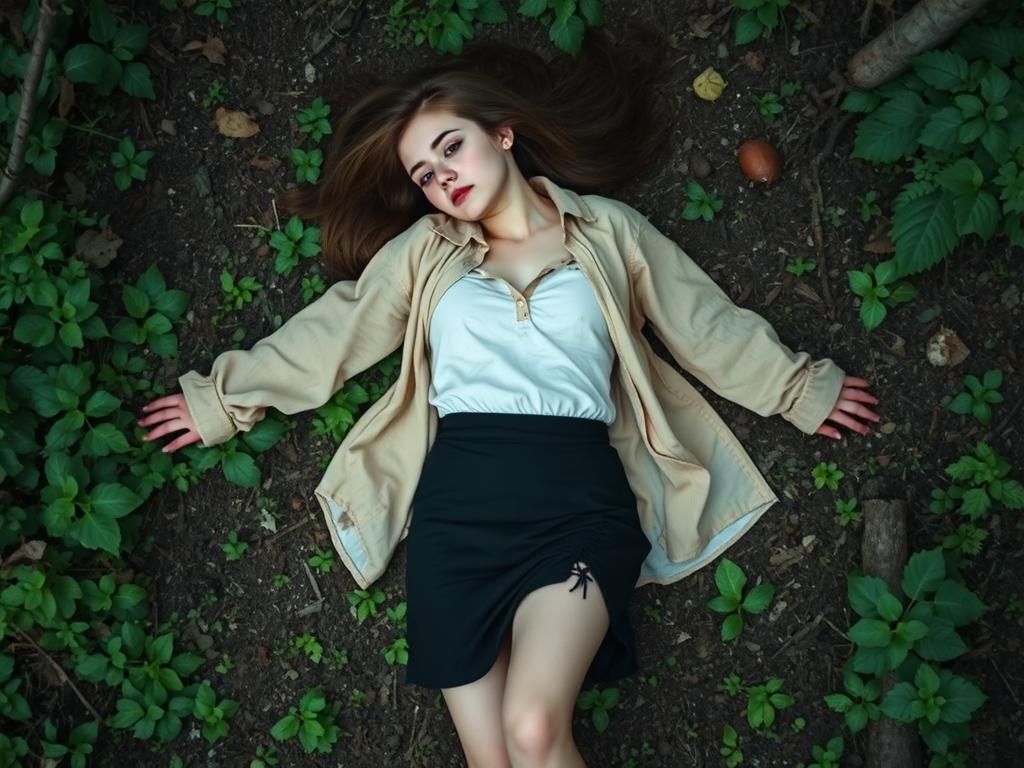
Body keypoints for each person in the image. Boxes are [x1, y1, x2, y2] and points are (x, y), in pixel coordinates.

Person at [137, 23, 880, 768]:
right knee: (494, 761)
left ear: (502, 135)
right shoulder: (428, 253)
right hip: (456, 517)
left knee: (532, 728)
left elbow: (703, 323)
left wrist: (796, 387)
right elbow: (333, 332)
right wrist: (222, 401)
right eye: (424, 174)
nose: (441, 177)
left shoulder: (607, 230)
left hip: (579, 505)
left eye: (450, 147)